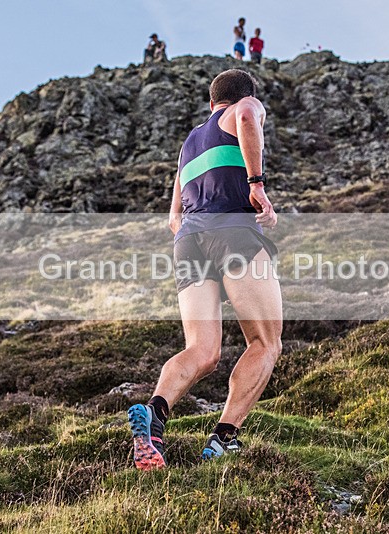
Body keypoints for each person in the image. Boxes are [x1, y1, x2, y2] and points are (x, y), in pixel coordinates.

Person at [128, 69, 282, 470]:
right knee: (265, 342)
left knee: (202, 350)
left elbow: (173, 217)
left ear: (211, 101)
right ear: (237, 97)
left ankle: (155, 414)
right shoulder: (243, 107)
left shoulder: (189, 144)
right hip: (233, 230)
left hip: (189, 240)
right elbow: (249, 116)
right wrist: (257, 184)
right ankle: (224, 438)